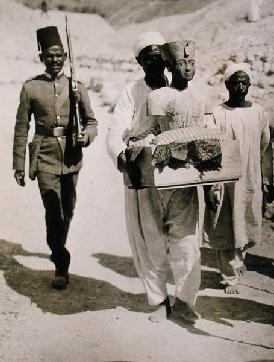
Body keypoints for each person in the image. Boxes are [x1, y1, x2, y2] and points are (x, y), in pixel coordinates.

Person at [13, 26, 98, 290]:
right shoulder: (31, 88)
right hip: (45, 155)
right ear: (41, 57)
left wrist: (87, 136)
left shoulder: (77, 87)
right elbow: (21, 128)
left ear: (65, 56)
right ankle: (61, 263)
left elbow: (91, 121)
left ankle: (57, 245)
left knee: (67, 210)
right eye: (50, 55)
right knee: (52, 207)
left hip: (71, 156)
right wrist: (18, 164)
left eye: (59, 55)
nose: (55, 60)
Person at [107, 32, 178, 322]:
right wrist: (121, 155)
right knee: (148, 238)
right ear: (139, 61)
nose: (155, 60)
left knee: (183, 237)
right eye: (148, 56)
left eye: (159, 54)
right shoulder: (131, 92)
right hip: (142, 171)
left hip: (177, 171)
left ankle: (185, 298)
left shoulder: (180, 87)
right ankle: (160, 300)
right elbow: (116, 130)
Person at [145, 40, 214, 323]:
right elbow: (151, 133)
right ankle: (159, 301)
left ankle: (185, 302)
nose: (187, 68)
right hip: (159, 180)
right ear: (170, 66)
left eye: (192, 63)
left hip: (188, 183)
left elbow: (211, 139)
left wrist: (212, 185)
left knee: (187, 244)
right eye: (181, 63)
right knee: (155, 241)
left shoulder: (203, 97)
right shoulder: (158, 97)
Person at [204, 62, 274, 294]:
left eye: (244, 81)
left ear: (250, 84)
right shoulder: (217, 113)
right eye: (235, 82)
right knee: (225, 223)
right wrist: (209, 184)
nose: (240, 86)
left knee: (245, 221)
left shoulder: (258, 112)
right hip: (225, 178)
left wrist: (268, 180)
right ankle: (229, 276)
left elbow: (266, 147)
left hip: (250, 178)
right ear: (227, 85)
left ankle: (237, 263)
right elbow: (209, 148)